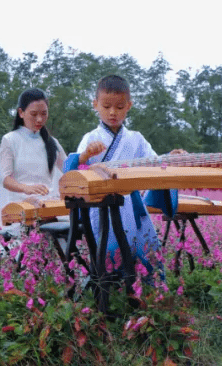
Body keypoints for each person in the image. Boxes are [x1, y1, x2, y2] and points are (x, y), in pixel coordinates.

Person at [70, 75, 183, 273]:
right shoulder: (91, 138)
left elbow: (153, 163)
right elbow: (74, 172)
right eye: (106, 106)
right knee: (112, 249)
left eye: (120, 107)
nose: (113, 112)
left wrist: (170, 157)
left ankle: (146, 290)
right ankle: (112, 288)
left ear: (129, 105)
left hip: (131, 205)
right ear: (95, 104)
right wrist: (85, 155)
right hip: (101, 206)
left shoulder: (136, 139)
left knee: (147, 247)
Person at [0, 88, 103, 239]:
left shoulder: (51, 142)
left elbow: (67, 168)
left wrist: (87, 154)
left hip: (47, 202)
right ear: (21, 113)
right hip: (20, 204)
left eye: (44, 114)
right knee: (46, 223)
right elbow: (6, 179)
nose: (39, 119)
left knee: (73, 220)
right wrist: (27, 188)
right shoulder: (10, 140)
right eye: (34, 114)